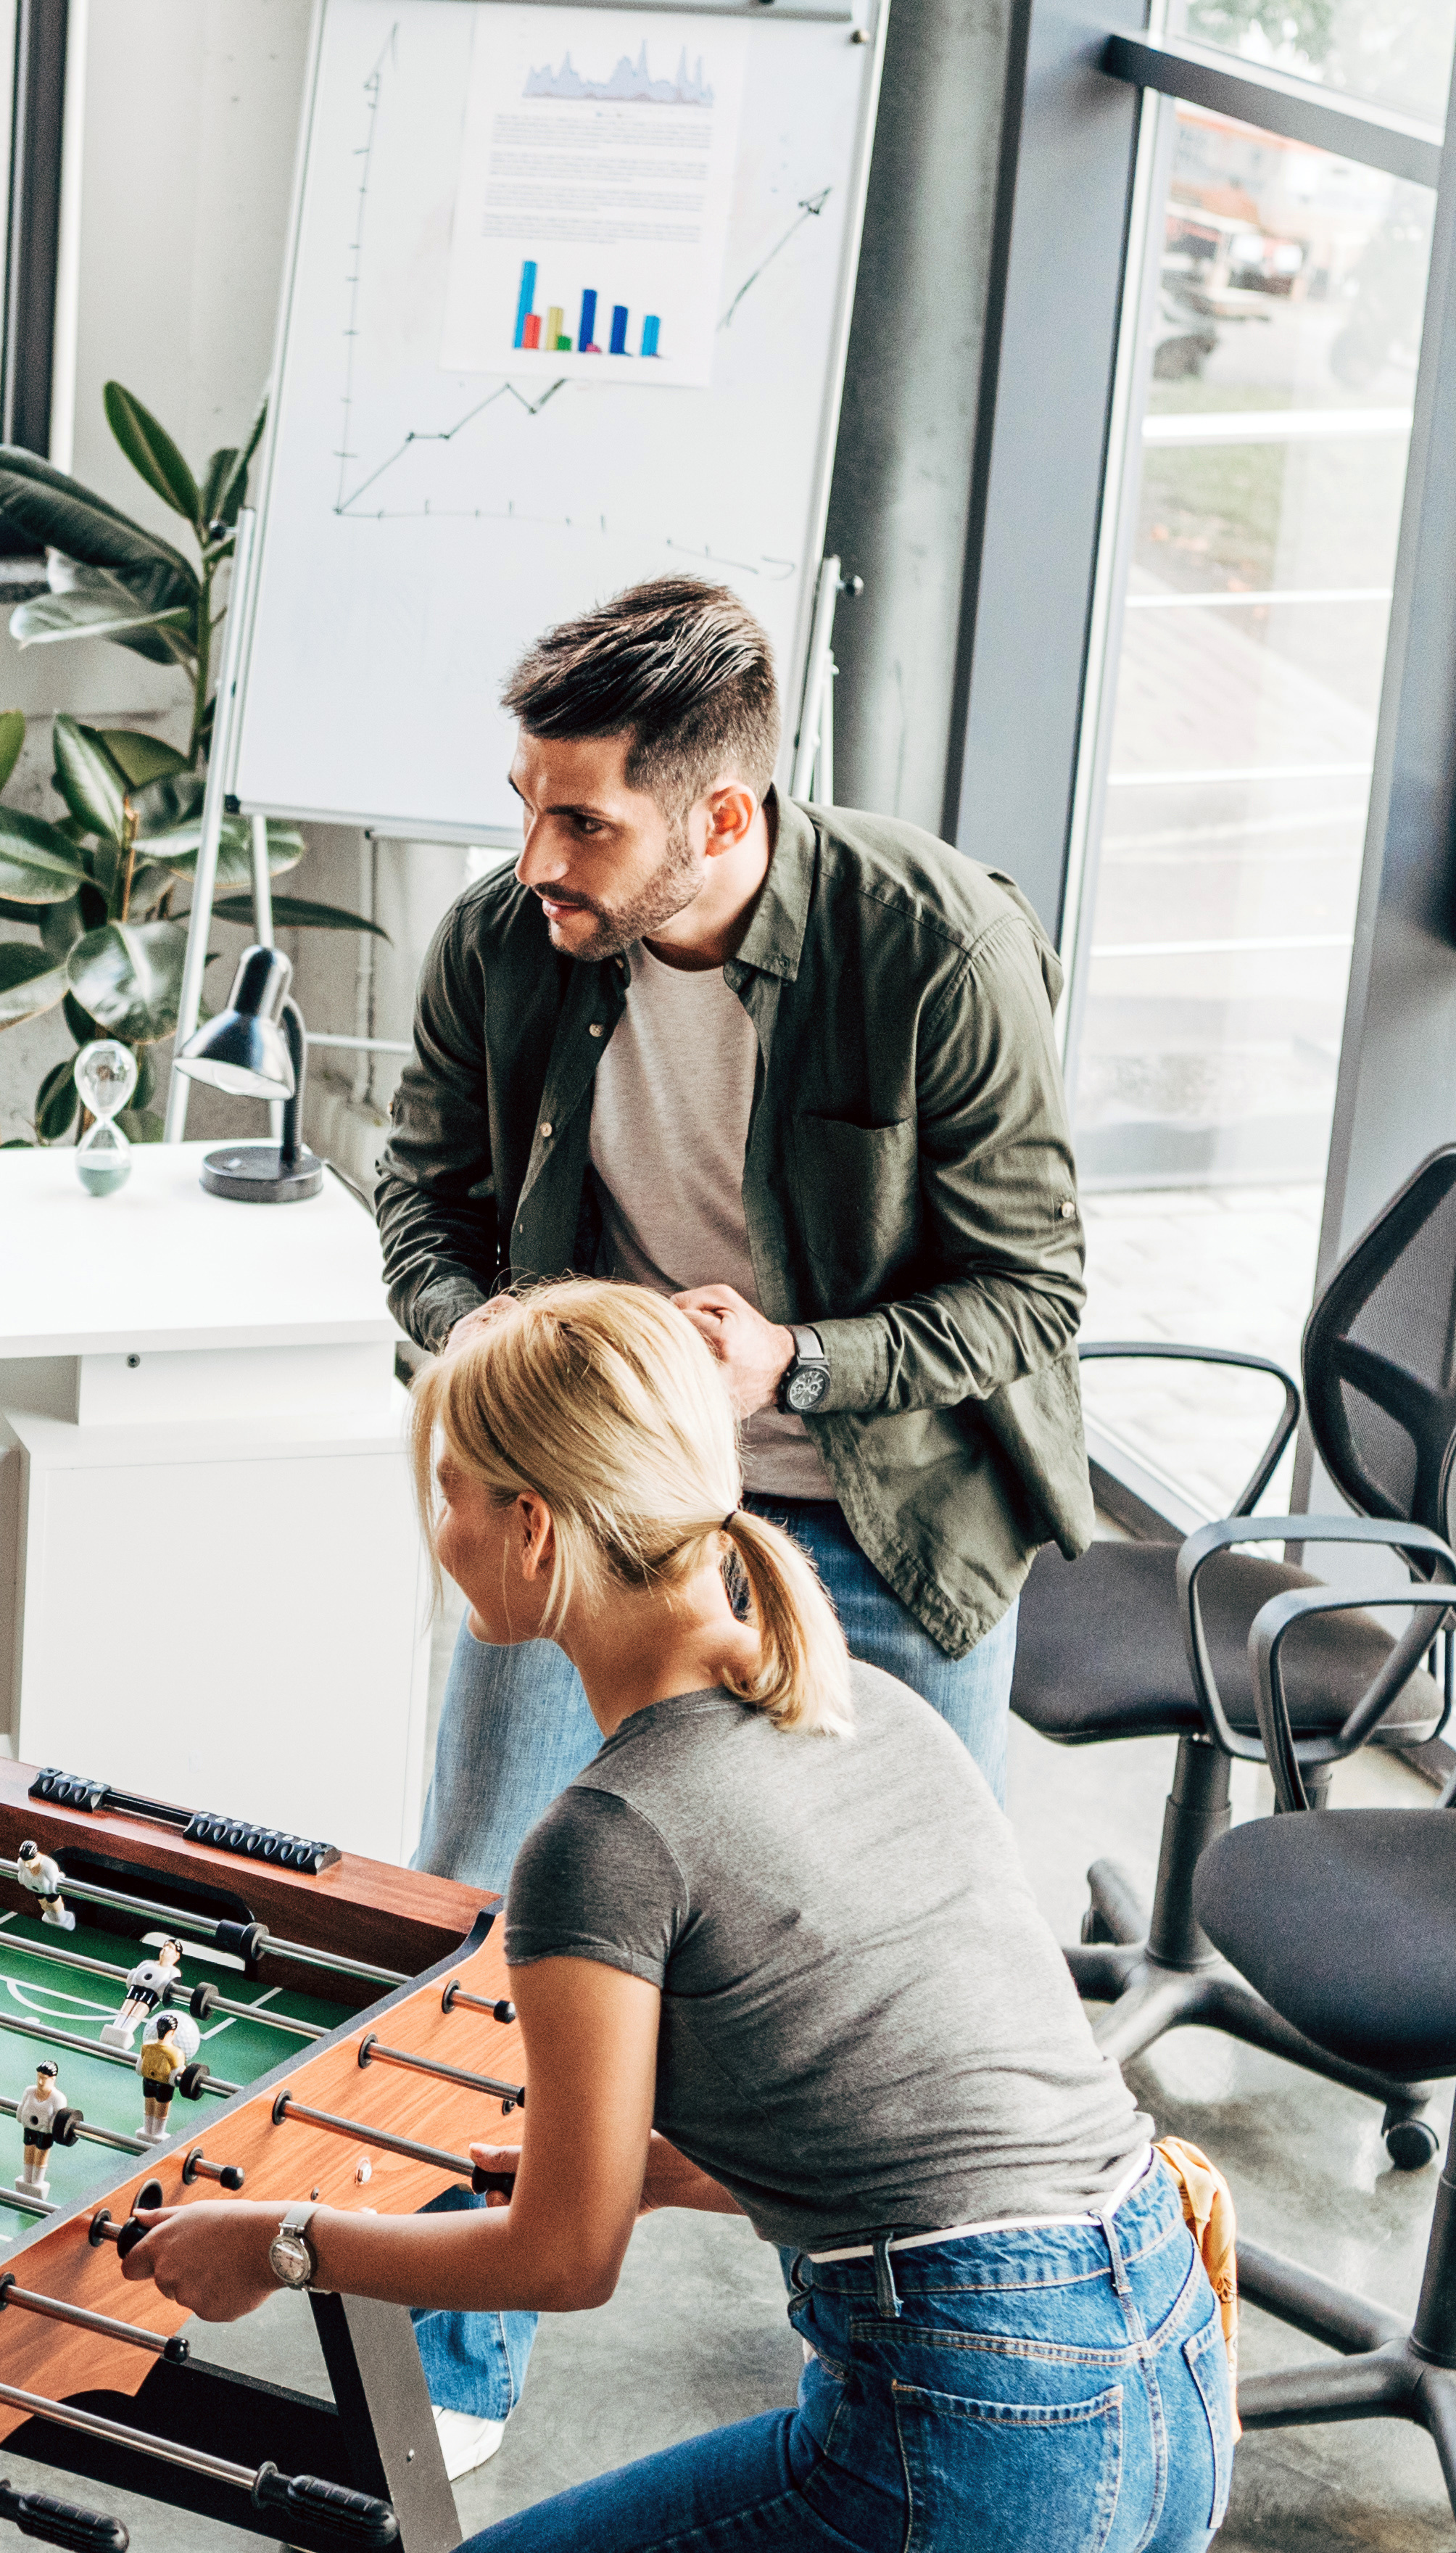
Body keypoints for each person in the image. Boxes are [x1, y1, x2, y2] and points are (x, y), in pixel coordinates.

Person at [117, 1281, 1227, 2553]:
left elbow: (569, 2258)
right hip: (1164, 2375)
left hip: (977, 2437)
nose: (436, 1534)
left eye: (445, 1493)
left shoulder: (607, 1836)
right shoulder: (860, 1706)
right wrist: (514, 2162)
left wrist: (274, 2244)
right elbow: (860, 2112)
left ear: (529, 1528)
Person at [379, 575, 1093, 1886]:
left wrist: (789, 1364)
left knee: (912, 1926)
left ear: (719, 818)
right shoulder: (502, 941)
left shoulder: (941, 953)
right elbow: (423, 1205)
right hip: (603, 1494)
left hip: (888, 1514)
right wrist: (469, 1325)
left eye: (585, 824)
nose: (539, 859)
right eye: (528, 809)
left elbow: (1032, 1295)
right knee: (480, 1887)